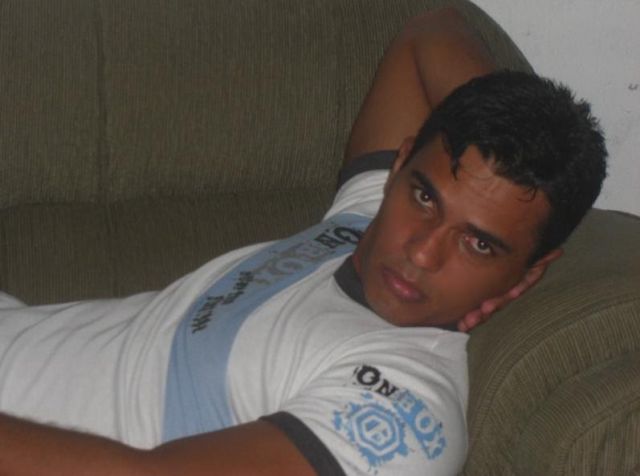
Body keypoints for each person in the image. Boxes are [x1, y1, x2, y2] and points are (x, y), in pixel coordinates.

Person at [0, 7, 606, 476]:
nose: (422, 252)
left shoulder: (403, 406)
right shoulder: (363, 221)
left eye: (479, 245)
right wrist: (518, 131)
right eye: (425, 197)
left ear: (530, 273)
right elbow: (431, 28)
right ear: (399, 167)